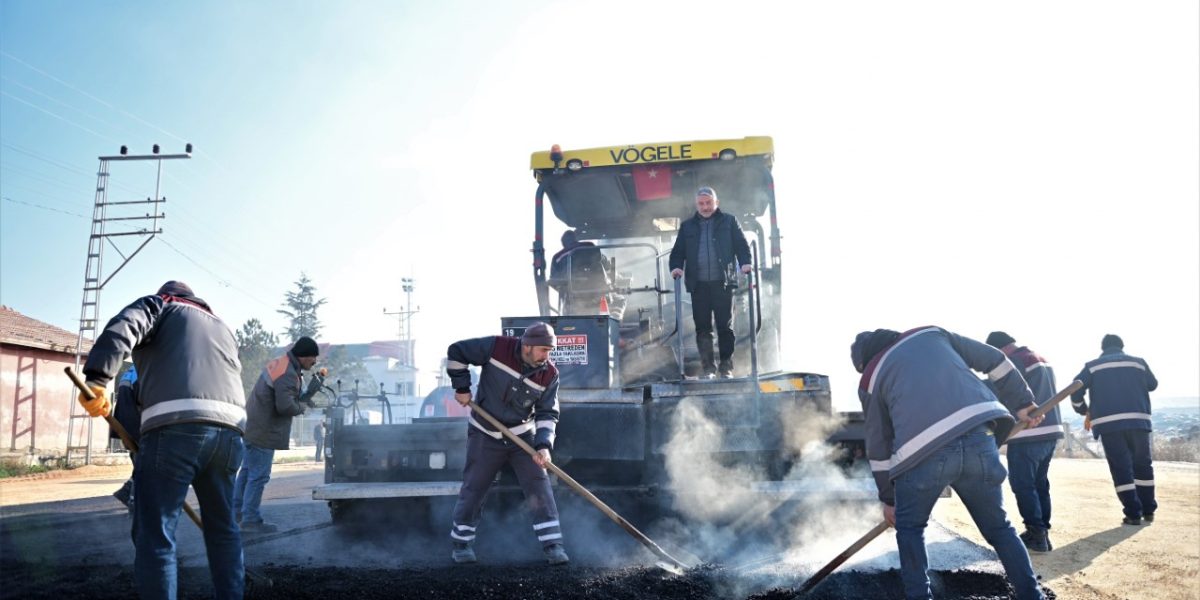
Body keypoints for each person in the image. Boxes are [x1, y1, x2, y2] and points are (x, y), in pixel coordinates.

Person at [77, 280, 246, 599]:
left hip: (176, 429)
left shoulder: (161, 305)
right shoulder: (222, 326)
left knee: (156, 536)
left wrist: (98, 378)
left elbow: (123, 327)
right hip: (230, 434)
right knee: (223, 530)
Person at [851, 326, 1045, 600]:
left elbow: (879, 445)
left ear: (865, 360)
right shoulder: (933, 334)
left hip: (922, 456)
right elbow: (996, 359)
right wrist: (1022, 401)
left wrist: (890, 498)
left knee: (910, 530)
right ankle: (1031, 596)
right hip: (981, 437)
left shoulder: (870, 378)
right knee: (1000, 528)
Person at [445, 322, 568, 566]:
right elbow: (456, 351)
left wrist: (543, 445)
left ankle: (553, 545)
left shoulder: (550, 374)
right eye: (544, 350)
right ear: (528, 346)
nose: (547, 355)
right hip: (484, 433)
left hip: (522, 437)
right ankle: (461, 545)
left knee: (539, 485)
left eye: (549, 350)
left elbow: (547, 414)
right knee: (475, 487)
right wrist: (461, 387)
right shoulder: (496, 347)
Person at [235, 337, 322, 533]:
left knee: (247, 473)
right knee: (258, 477)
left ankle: (235, 515)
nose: (314, 362)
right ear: (303, 356)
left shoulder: (281, 363)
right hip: (264, 431)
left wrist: (304, 399)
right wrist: (302, 406)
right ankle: (250, 520)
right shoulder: (288, 373)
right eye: (313, 358)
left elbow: (285, 396)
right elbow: (284, 406)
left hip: (252, 425)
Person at [986, 332, 1063, 553]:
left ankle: (1036, 534)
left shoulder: (1013, 362)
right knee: (1039, 483)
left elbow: (1000, 390)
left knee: (1023, 484)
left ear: (999, 350)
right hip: (1050, 431)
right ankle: (1042, 532)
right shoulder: (1039, 358)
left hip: (1027, 433)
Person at [1070, 334, 1158, 525]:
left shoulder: (1093, 366)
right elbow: (1153, 385)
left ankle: (1133, 513)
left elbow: (1075, 389)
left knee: (1121, 468)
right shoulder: (1138, 363)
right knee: (1143, 465)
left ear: (1103, 348)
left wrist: (1083, 409)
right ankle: (1148, 510)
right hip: (1138, 422)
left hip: (1110, 425)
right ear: (1122, 346)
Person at [668, 186, 752, 378]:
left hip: (723, 283)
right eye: (701, 204)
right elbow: (678, 252)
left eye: (709, 203)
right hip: (698, 285)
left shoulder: (729, 222)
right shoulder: (687, 226)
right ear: (696, 205)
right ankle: (708, 369)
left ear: (716, 203)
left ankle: (726, 368)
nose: (705, 207)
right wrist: (676, 267)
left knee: (725, 327)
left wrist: (746, 263)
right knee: (703, 329)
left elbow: (741, 245)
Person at [110, 364, 141, 512]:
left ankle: (129, 493)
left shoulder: (131, 370)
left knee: (141, 464)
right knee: (147, 466)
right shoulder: (147, 367)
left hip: (126, 425)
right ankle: (134, 500)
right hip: (140, 426)